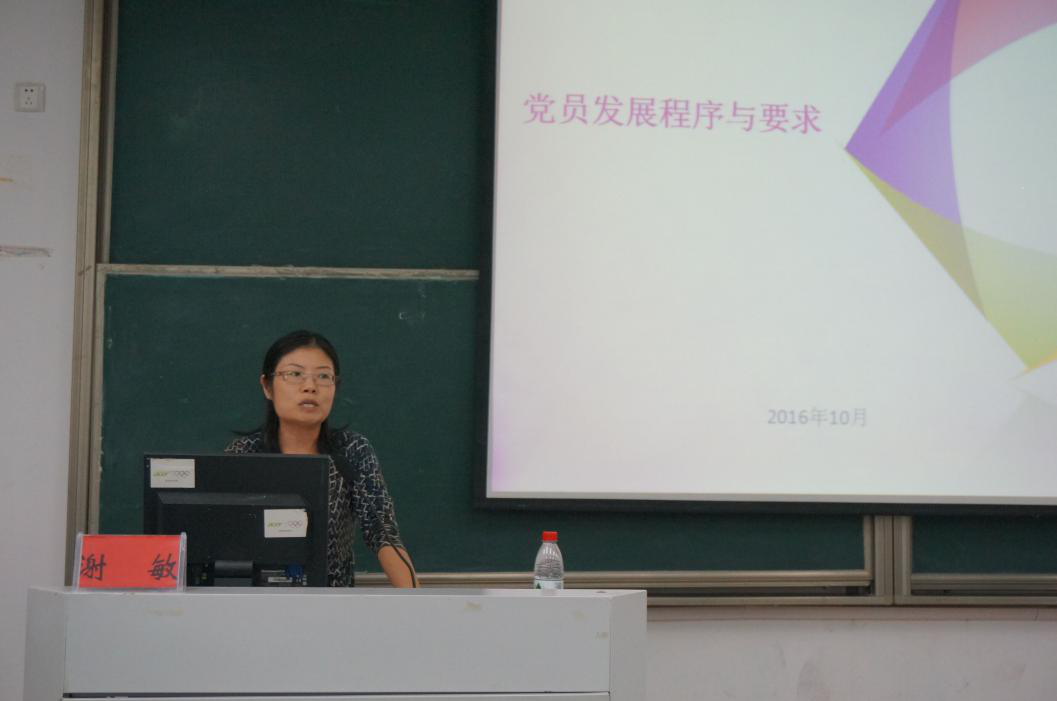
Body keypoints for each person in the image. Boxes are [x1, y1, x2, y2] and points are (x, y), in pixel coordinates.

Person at [225, 330, 416, 588]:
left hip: (333, 604)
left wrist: (415, 602)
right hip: (255, 604)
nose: (310, 386)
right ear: (267, 386)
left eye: (323, 376)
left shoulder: (351, 451)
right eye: (295, 374)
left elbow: (381, 532)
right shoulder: (245, 454)